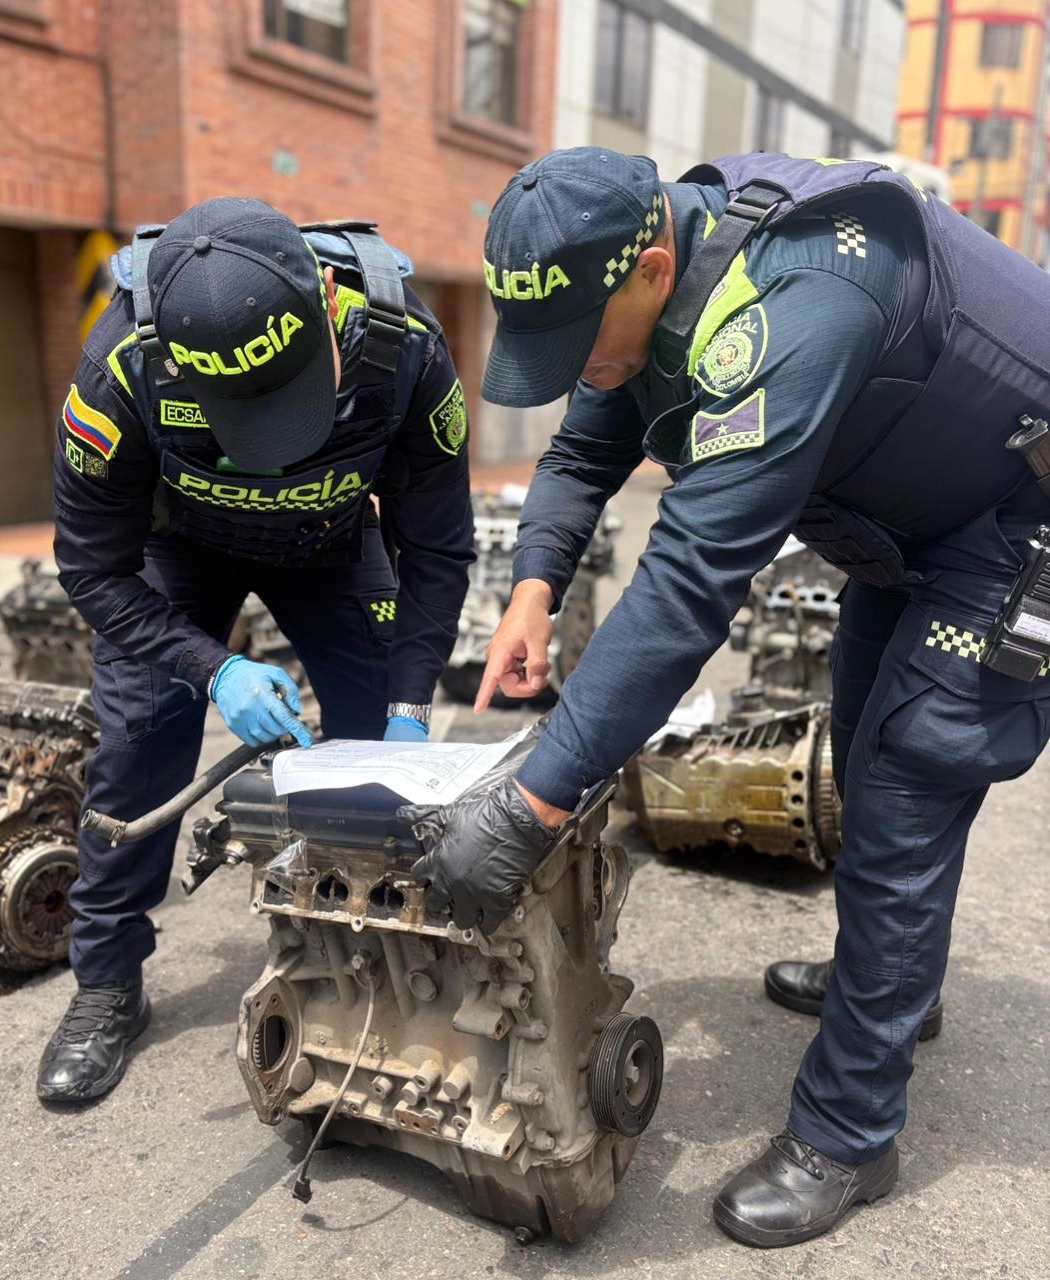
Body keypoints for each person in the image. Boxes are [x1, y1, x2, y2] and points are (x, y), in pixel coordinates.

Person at [408, 148, 1050, 1247]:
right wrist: (532, 592)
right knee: (863, 732)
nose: (578, 369)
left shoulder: (800, 309)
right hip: (922, 520)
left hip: (1017, 522)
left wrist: (531, 805)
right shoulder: (663, 281)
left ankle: (851, 1132)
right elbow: (587, 436)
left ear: (652, 265)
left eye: (578, 342)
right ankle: (895, 989)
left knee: (908, 775)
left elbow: (687, 585)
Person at [39, 198, 474, 1103]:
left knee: (378, 749)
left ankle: (376, 956)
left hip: (328, 542)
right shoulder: (120, 369)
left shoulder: (404, 353)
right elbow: (90, 571)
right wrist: (215, 666)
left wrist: (410, 706)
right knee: (137, 743)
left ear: (323, 296)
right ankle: (106, 984)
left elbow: (437, 549)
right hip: (177, 553)